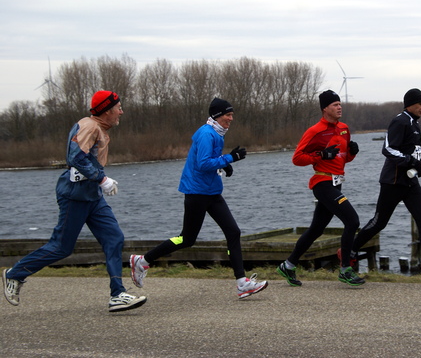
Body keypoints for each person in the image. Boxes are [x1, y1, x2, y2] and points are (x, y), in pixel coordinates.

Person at [2, 91, 147, 312]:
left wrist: (99, 181)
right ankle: (15, 274)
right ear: (107, 110)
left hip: (92, 196)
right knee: (61, 248)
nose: (121, 111)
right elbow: (75, 157)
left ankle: (117, 294)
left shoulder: (96, 127)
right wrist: (102, 179)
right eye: (118, 107)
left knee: (114, 238)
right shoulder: (89, 126)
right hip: (75, 196)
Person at [129, 97, 267, 299]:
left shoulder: (216, 133)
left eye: (231, 115)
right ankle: (143, 261)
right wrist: (230, 158)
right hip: (197, 193)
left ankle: (242, 282)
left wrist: (224, 164)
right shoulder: (206, 134)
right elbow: (203, 164)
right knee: (186, 238)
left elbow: (209, 160)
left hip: (211, 192)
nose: (231, 118)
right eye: (228, 115)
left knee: (233, 232)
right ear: (217, 116)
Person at [342, 88, 421, 283]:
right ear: (409, 104)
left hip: (410, 182)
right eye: (420, 104)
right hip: (393, 181)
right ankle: (350, 252)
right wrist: (414, 163)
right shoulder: (400, 121)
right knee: (379, 222)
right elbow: (388, 150)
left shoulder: (415, 124)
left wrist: (420, 166)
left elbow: (413, 154)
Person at [277, 90, 365, 287]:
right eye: (334, 104)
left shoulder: (344, 128)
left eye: (340, 103)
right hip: (322, 184)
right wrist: (321, 155)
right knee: (352, 221)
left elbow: (342, 159)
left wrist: (352, 154)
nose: (339, 107)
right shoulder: (315, 131)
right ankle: (345, 270)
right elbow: (297, 159)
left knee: (316, 229)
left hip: (336, 183)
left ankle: (288, 265)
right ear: (325, 108)